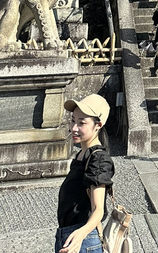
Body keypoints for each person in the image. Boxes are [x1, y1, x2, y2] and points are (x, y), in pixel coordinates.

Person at [57, 93, 114, 253]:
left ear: (98, 125)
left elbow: (98, 210)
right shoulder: (82, 154)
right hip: (68, 235)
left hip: (83, 241)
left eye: (81, 123)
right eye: (73, 120)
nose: (74, 128)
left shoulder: (99, 160)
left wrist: (80, 236)